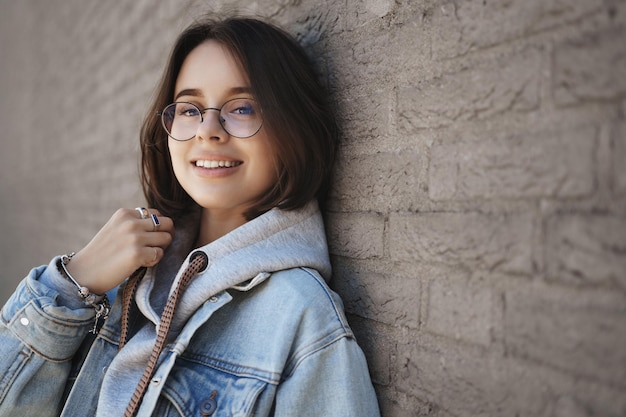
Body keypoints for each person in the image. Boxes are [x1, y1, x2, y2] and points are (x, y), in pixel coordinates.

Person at [0, 16, 380, 417]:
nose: (208, 130)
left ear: (294, 129)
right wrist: (72, 282)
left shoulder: (302, 319)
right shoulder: (119, 280)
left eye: (243, 107)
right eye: (190, 108)